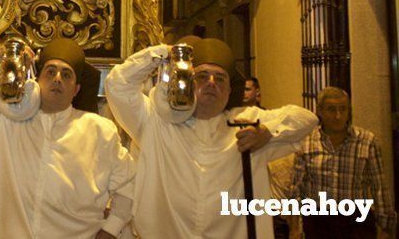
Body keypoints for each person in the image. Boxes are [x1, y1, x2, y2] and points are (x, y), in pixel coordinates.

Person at [105, 37, 318, 239]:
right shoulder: (156, 122)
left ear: (229, 89)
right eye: (202, 76)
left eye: (220, 78)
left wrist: (268, 133)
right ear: (187, 81)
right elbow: (117, 84)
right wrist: (165, 53)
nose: (211, 83)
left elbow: (307, 119)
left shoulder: (246, 124)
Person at [0, 38, 135, 239]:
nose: (57, 78)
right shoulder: (9, 122)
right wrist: (0, 54)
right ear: (37, 80)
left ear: (76, 90)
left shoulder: (99, 131)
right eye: (50, 71)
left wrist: (111, 230)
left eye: (66, 75)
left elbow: (129, 185)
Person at [290, 87, 396, 239]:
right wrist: (294, 228)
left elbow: (378, 186)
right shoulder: (306, 143)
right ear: (320, 111)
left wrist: (386, 226)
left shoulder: (367, 141)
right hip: (318, 220)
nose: (338, 116)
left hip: (357, 220)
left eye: (343, 109)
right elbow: (296, 189)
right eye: (331, 110)